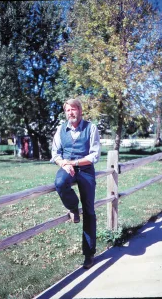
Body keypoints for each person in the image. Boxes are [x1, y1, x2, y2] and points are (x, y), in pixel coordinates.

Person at [51, 98, 100, 269]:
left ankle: (89, 254)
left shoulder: (91, 128)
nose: (71, 113)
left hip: (85, 170)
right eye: (68, 110)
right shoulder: (60, 129)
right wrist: (64, 164)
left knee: (89, 211)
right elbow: (55, 154)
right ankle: (73, 206)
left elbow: (94, 155)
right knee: (60, 183)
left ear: (80, 110)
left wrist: (75, 163)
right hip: (67, 167)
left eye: (74, 109)